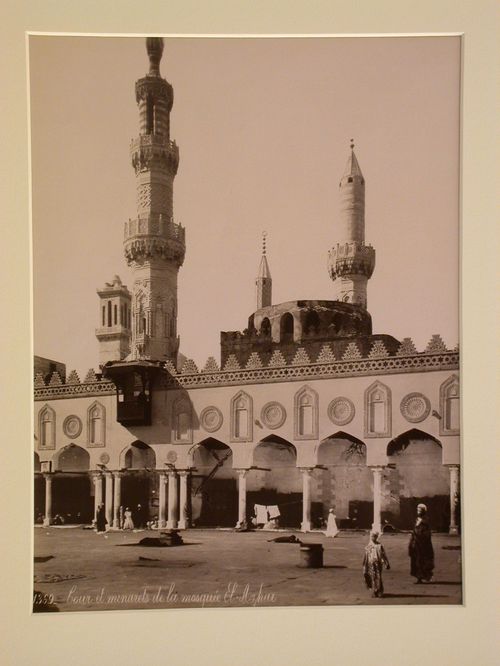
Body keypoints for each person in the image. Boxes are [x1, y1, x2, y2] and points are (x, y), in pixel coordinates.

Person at [408, 503, 434, 583]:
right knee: (416, 560)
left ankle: (424, 576)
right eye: (417, 510)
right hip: (416, 544)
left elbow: (426, 533)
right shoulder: (417, 519)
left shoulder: (425, 520)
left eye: (419, 510)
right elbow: (415, 530)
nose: (418, 511)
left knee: (422, 561)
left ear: (423, 511)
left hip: (423, 545)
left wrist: (418, 533)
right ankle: (418, 578)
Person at [363, 531, 390, 598]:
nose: (372, 538)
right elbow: (366, 556)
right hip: (370, 564)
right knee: (372, 577)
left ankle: (379, 591)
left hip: (377, 564)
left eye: (374, 536)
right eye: (371, 536)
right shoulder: (368, 546)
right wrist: (364, 565)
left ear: (376, 537)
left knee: (378, 577)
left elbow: (383, 555)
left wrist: (386, 563)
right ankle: (375, 591)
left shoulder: (379, 546)